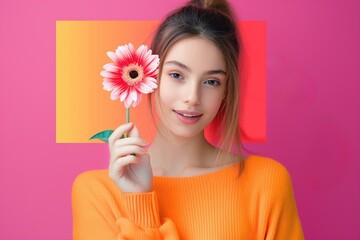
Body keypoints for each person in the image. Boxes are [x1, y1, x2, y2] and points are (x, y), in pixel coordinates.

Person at [72, 0, 304, 239]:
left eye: (211, 81)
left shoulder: (266, 181)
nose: (192, 97)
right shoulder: (96, 192)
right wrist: (139, 200)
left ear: (226, 91)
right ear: (151, 76)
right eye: (177, 75)